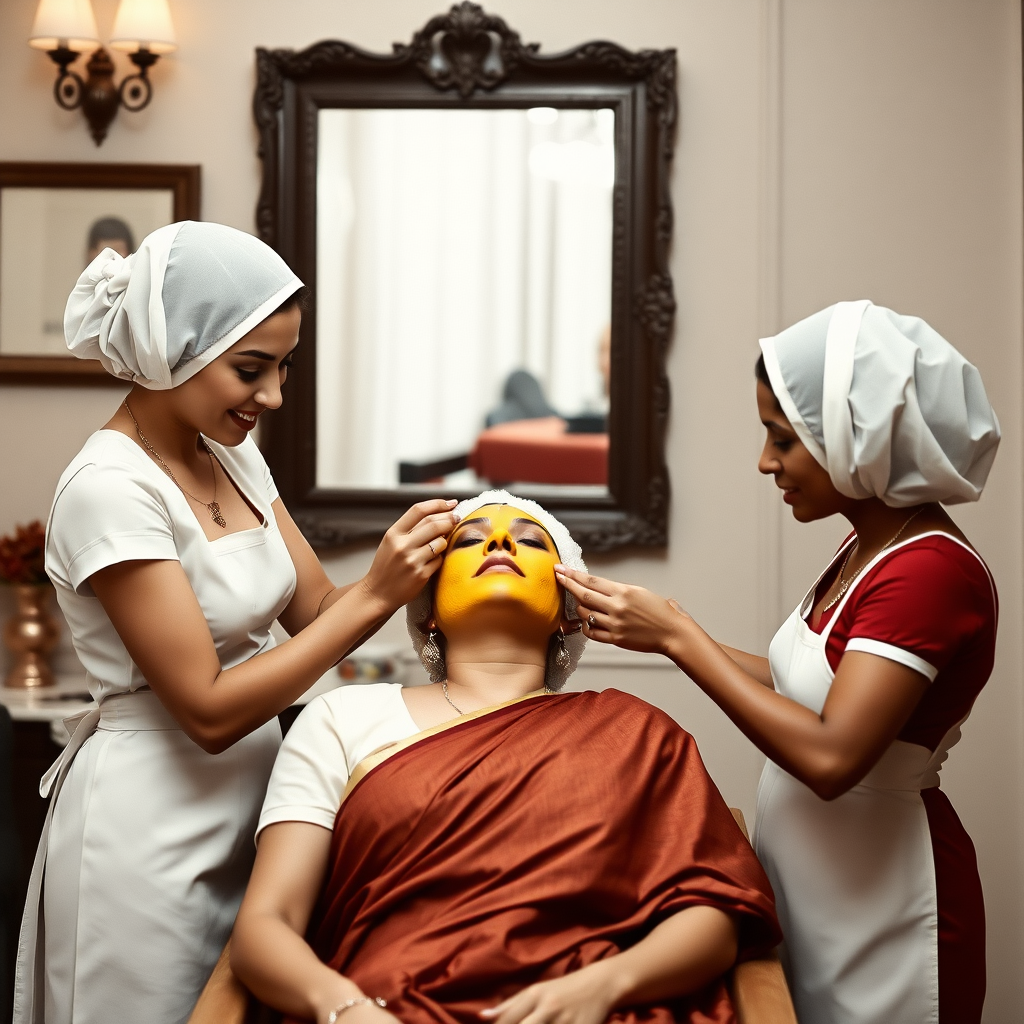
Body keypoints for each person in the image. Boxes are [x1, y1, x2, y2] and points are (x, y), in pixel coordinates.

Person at [14, 221, 459, 1024]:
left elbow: (318, 609)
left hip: (256, 802)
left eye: (283, 367)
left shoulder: (231, 454)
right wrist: (380, 592)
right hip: (149, 822)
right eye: (250, 369)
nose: (273, 396)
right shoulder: (108, 488)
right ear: (168, 348)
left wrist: (423, 570)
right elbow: (209, 710)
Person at [555, 300, 1001, 1024]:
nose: (766, 462)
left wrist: (677, 638)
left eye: (783, 439)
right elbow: (807, 681)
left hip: (887, 916)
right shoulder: (869, 549)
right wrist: (656, 630)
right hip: (823, 891)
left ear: (858, 440)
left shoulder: (929, 572)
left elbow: (832, 758)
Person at [230, 491, 781, 1024]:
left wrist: (603, 986)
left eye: (531, 543)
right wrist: (342, 1006)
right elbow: (266, 924)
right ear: (426, 612)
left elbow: (713, 915)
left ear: (571, 612)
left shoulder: (636, 732)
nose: (500, 545)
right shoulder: (339, 719)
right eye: (469, 540)